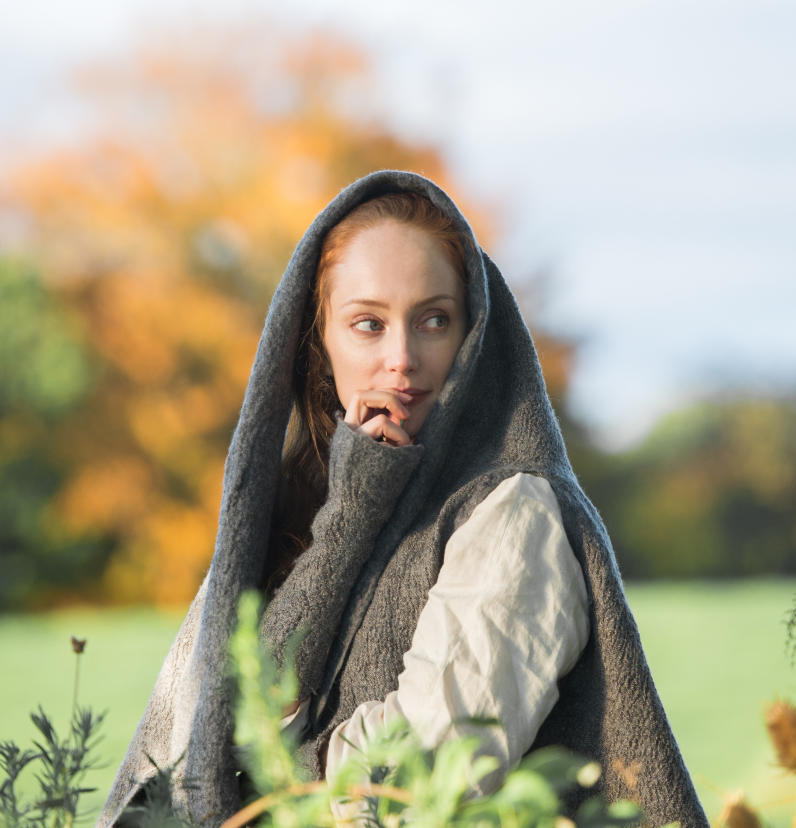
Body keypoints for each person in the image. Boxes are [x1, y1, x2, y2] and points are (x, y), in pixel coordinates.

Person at [97, 170, 709, 828]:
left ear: (470, 335)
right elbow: (218, 715)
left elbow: (414, 783)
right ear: (320, 340)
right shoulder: (288, 509)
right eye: (367, 324)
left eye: (433, 321)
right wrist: (349, 519)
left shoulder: (515, 510)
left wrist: (254, 777)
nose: (403, 359)